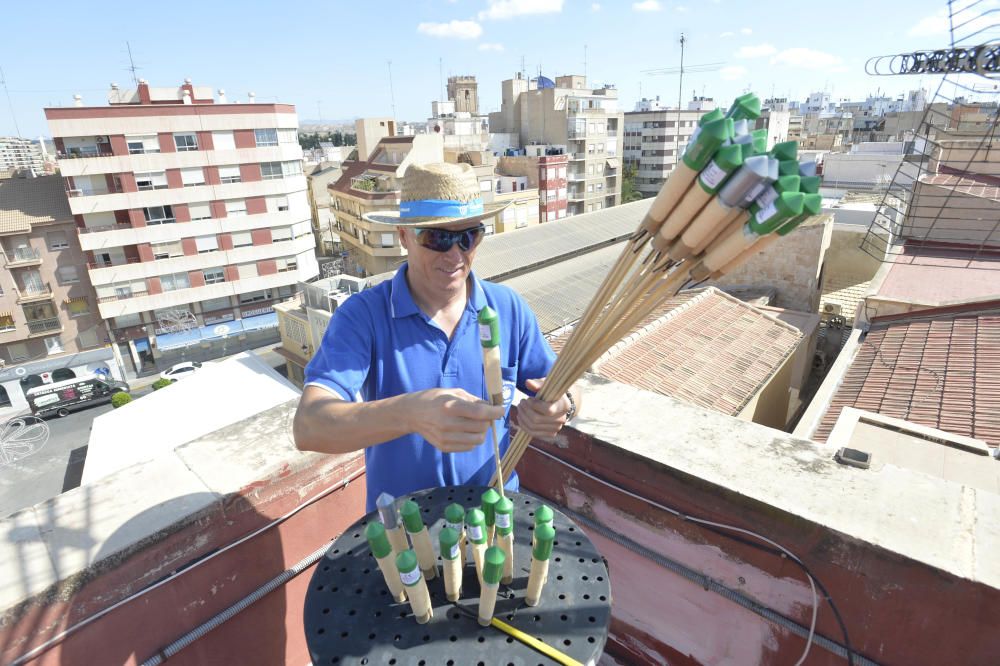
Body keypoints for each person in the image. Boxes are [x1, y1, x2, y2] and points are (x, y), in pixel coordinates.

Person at [294, 162, 581, 511]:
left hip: (494, 519)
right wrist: (410, 413)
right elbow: (309, 426)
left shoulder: (508, 308)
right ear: (404, 237)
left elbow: (562, 381)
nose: (456, 254)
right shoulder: (363, 316)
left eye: (468, 236)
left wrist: (563, 404)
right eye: (438, 237)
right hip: (404, 536)